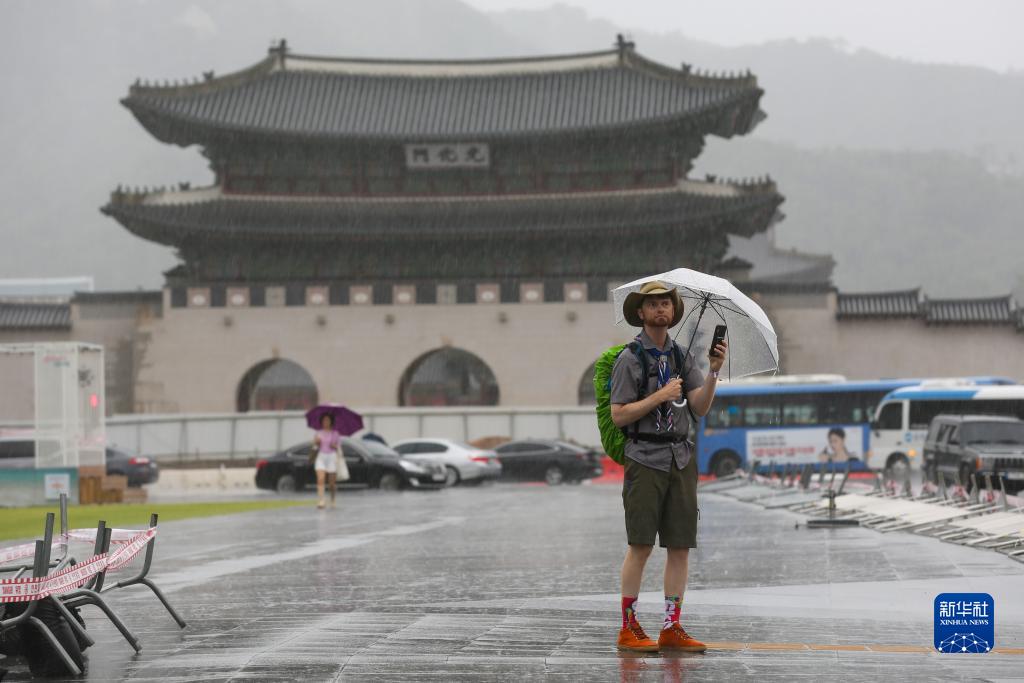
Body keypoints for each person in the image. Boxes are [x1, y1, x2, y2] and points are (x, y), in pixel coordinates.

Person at [609, 281, 728, 653]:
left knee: (680, 546)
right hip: (645, 458)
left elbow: (700, 406)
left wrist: (712, 372)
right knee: (641, 545)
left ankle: (671, 626)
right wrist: (659, 395)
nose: (661, 309)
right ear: (640, 313)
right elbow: (618, 414)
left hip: (681, 457)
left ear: (673, 311)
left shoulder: (681, 356)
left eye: (666, 303)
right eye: (653, 305)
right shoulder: (630, 358)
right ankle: (628, 626)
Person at [312, 413, 342, 509]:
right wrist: (316, 443)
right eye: (324, 420)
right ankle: (321, 500)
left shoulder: (335, 434)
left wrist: (334, 446)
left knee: (331, 484)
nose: (326, 422)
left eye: (328, 420)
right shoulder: (318, 433)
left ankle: (332, 499)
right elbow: (314, 447)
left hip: (331, 457)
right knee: (320, 479)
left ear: (331, 422)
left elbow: (338, 447)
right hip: (321, 456)